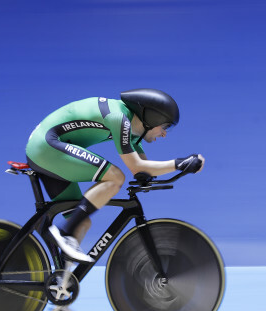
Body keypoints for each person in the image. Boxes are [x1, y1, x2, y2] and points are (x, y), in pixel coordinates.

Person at [25, 88, 205, 266]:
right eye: (165, 127)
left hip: (50, 150)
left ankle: (60, 283)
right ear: (153, 118)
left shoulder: (133, 133)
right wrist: (180, 163)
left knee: (83, 222)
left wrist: (168, 171)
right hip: (47, 147)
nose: (164, 133)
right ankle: (65, 233)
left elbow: (145, 170)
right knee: (115, 177)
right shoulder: (119, 119)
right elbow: (137, 167)